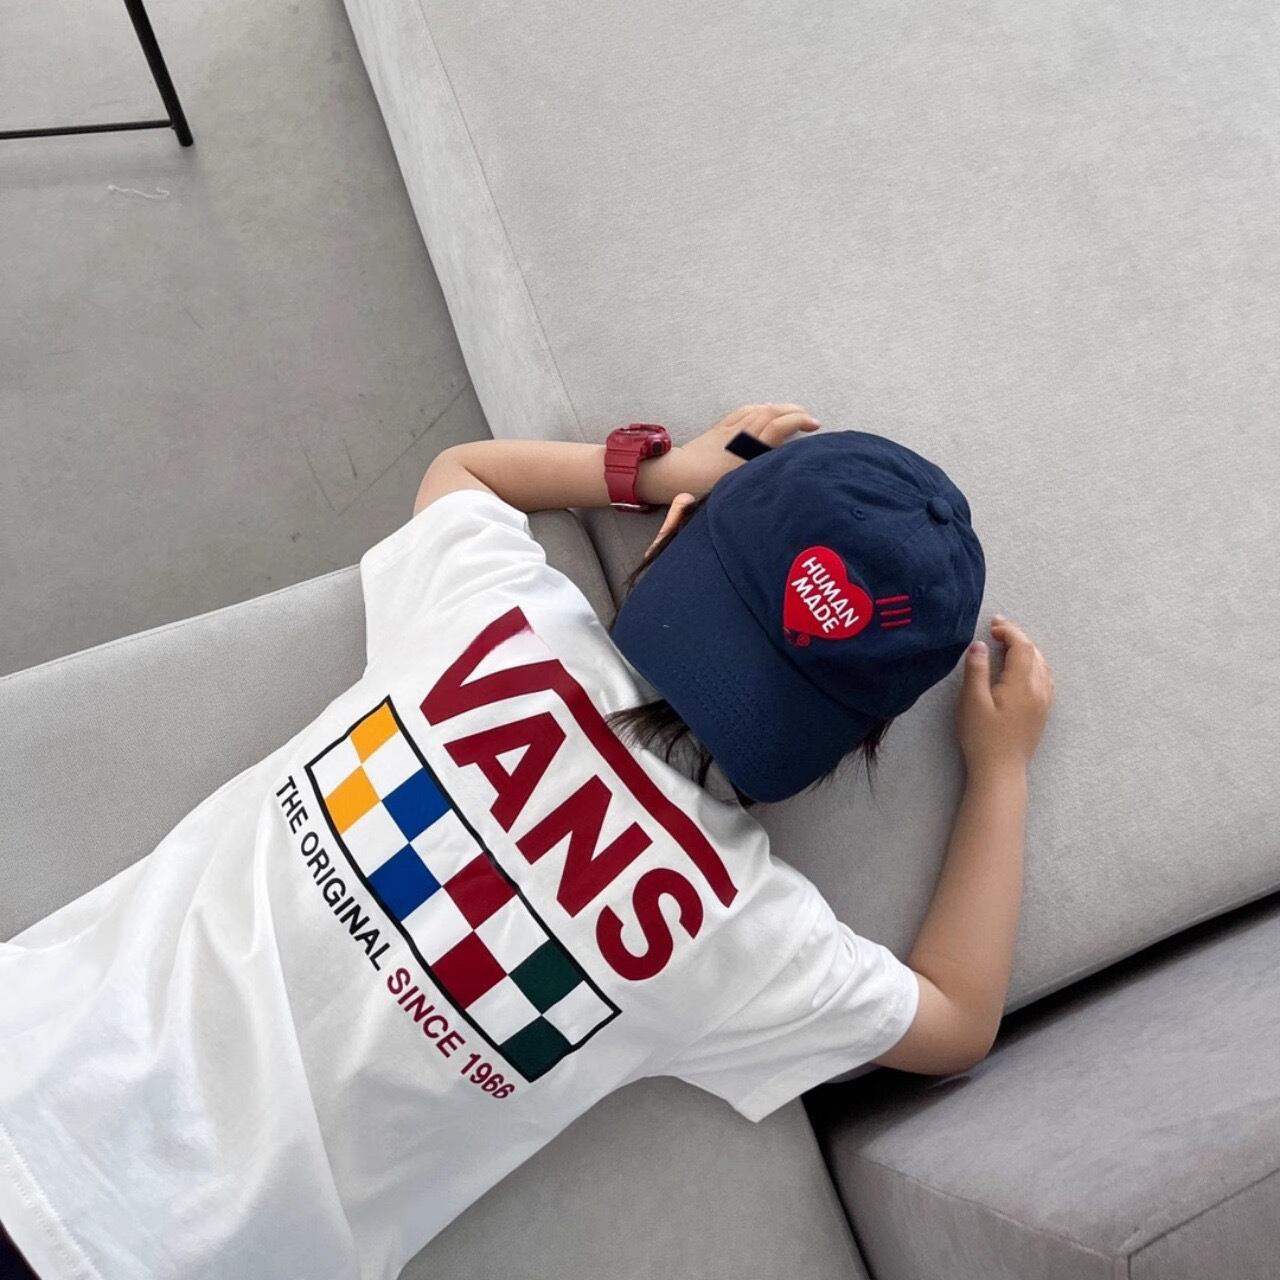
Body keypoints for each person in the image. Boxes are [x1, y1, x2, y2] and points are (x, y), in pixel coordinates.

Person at [0, 404, 1054, 1280]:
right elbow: (956, 1020)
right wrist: (997, 771)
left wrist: (657, 469)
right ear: (858, 740)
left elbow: (460, 470)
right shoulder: (735, 928)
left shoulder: (492, 614)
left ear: (675, 533)